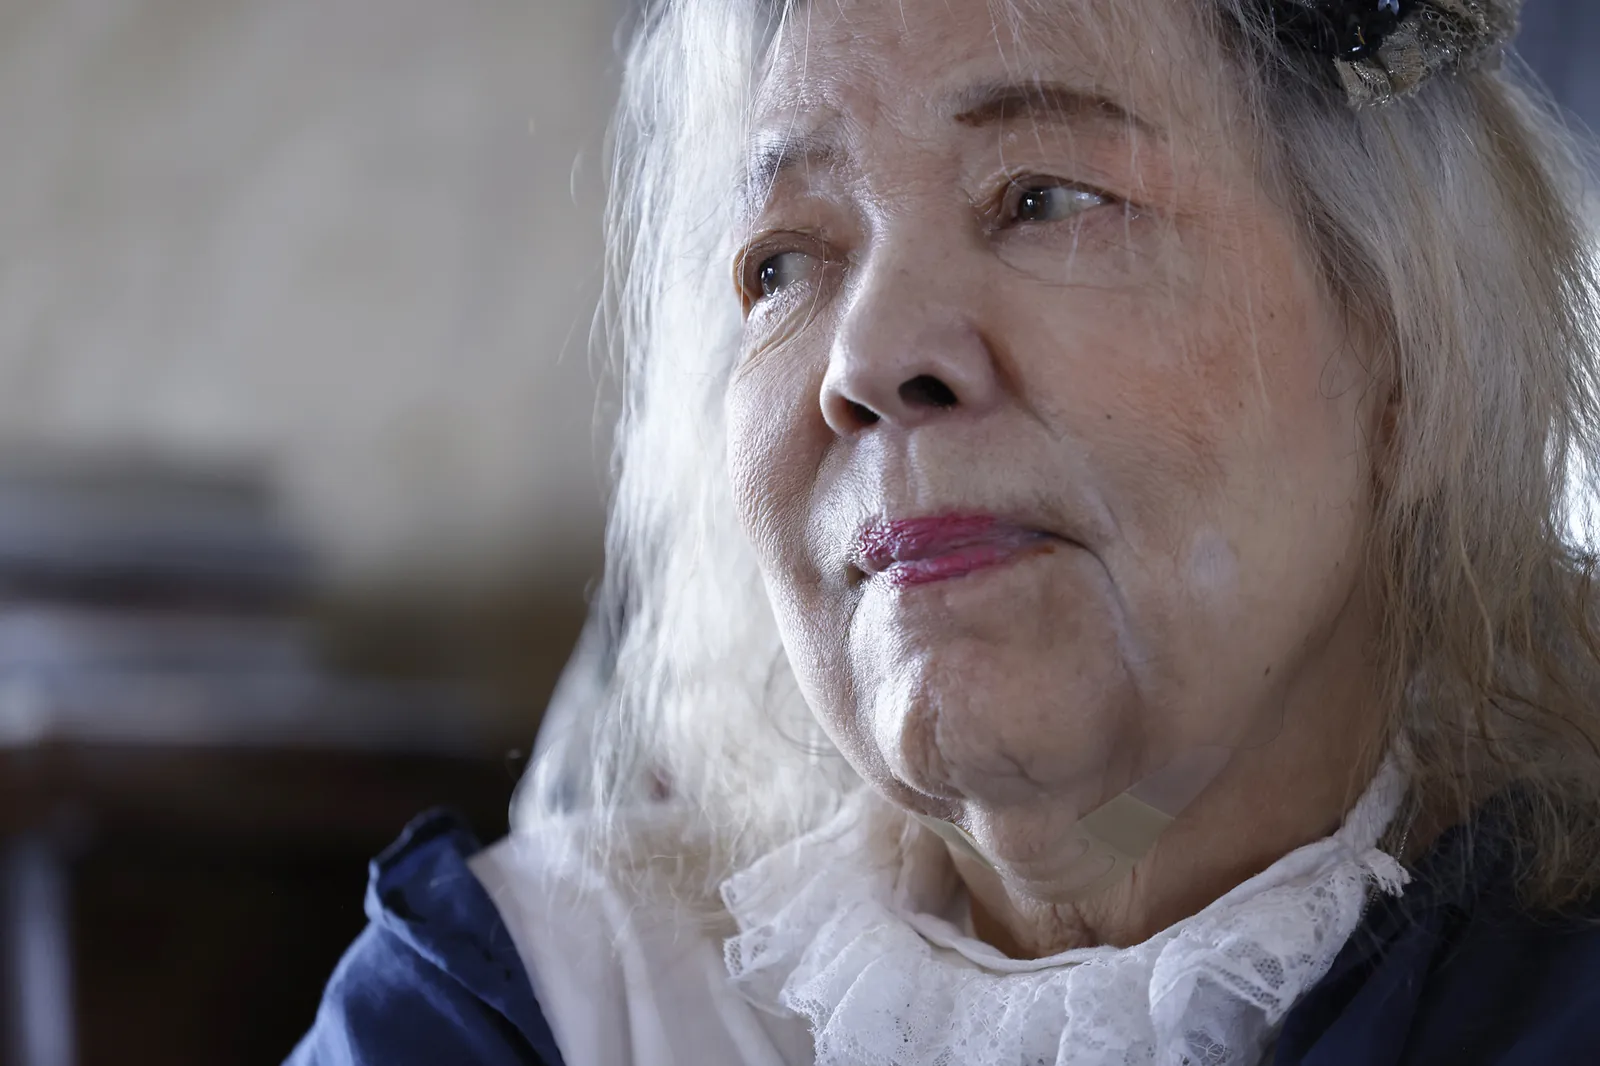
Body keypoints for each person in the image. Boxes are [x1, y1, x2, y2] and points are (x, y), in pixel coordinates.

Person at [287, 0, 1600, 1062]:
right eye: (782, 262)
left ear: (1404, 353)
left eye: (1045, 198)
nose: (865, 359)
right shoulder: (524, 1006)